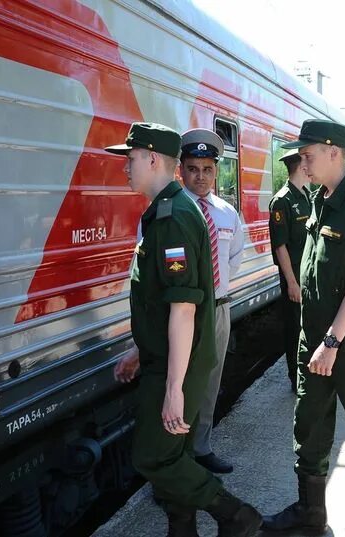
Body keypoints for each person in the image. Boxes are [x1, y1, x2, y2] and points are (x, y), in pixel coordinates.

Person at [107, 123, 260, 536]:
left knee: (153, 456)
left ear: (153, 159)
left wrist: (174, 387)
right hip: (171, 353)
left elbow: (182, 306)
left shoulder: (172, 218)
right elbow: (162, 300)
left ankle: (235, 515)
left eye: (131, 157)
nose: (126, 166)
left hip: (179, 359)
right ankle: (183, 529)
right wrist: (141, 349)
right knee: (172, 450)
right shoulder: (167, 212)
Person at [261, 119, 345, 537]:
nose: (303, 161)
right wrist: (316, 341)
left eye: (308, 154)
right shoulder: (320, 197)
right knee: (310, 424)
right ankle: (310, 512)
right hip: (314, 339)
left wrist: (332, 342)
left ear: (334, 152)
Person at [178, 129, 245, 475]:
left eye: (207, 169)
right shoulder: (171, 211)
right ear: (181, 170)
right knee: (179, 385)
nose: (200, 176)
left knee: (209, 383)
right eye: (193, 168)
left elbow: (233, 257)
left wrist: (216, 290)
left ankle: (201, 448)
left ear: (215, 171)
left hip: (218, 309)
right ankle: (175, 462)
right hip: (183, 313)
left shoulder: (226, 213)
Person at [269, 148, 313, 392]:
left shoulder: (306, 196)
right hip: (294, 277)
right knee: (294, 329)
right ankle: (296, 378)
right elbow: (280, 246)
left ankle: (308, 371)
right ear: (301, 167)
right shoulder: (282, 201)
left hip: (308, 276)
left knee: (307, 326)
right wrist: (292, 283)